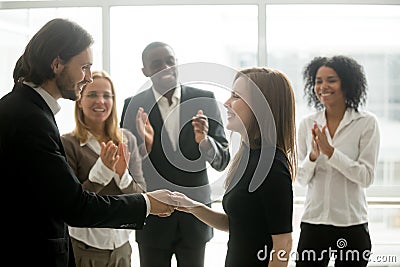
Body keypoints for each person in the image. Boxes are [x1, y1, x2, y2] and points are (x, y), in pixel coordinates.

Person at [0, 18, 175, 267]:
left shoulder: (25, 109)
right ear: (57, 64)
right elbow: (74, 205)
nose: (88, 77)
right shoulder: (30, 119)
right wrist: (146, 203)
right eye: (84, 67)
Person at [120, 41, 231, 267]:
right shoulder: (133, 106)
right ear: (145, 71)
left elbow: (222, 161)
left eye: (170, 60)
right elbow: (126, 168)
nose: (166, 67)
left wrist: (205, 142)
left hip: (196, 217)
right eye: (157, 63)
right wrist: (144, 147)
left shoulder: (205, 99)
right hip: (152, 217)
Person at [171, 67, 296, 267]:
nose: (227, 103)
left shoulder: (272, 165)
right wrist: (191, 206)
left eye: (236, 96)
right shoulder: (248, 157)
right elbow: (238, 224)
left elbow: (283, 244)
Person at [295, 55, 380, 266]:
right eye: (318, 81)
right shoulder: (307, 124)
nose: (323, 86)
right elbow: (301, 179)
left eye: (331, 80)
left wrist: (331, 152)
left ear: (347, 83)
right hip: (314, 222)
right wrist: (314, 156)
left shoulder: (366, 123)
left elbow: (366, 177)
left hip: (352, 224)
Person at [61, 70, 146, 267]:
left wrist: (122, 175)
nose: (100, 101)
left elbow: (141, 194)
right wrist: (103, 171)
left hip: (122, 247)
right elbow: (71, 205)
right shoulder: (68, 144)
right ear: (79, 101)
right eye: (92, 95)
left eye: (107, 95)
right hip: (85, 248)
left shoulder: (128, 140)